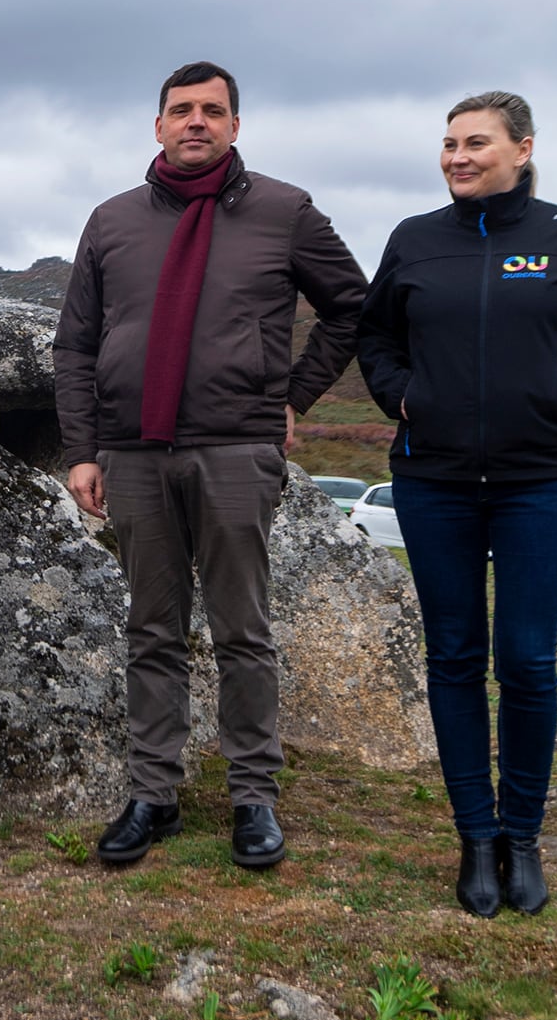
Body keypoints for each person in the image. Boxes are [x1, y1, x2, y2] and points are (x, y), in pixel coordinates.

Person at [55, 61, 368, 871]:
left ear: (235, 126)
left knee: (243, 630)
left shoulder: (285, 211)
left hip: (237, 447)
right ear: (156, 125)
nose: (196, 122)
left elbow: (351, 308)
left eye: (213, 111)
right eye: (181, 110)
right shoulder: (112, 220)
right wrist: (82, 448)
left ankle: (253, 797)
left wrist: (290, 394)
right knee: (150, 629)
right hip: (133, 452)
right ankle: (152, 793)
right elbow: (77, 344)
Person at [356, 92, 557, 917]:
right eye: (448, 143)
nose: (456, 156)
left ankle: (523, 837)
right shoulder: (414, 240)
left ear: (522, 148)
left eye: (475, 142)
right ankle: (474, 838)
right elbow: (372, 334)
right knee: (452, 656)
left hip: (541, 479)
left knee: (525, 660)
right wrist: (403, 395)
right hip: (433, 479)